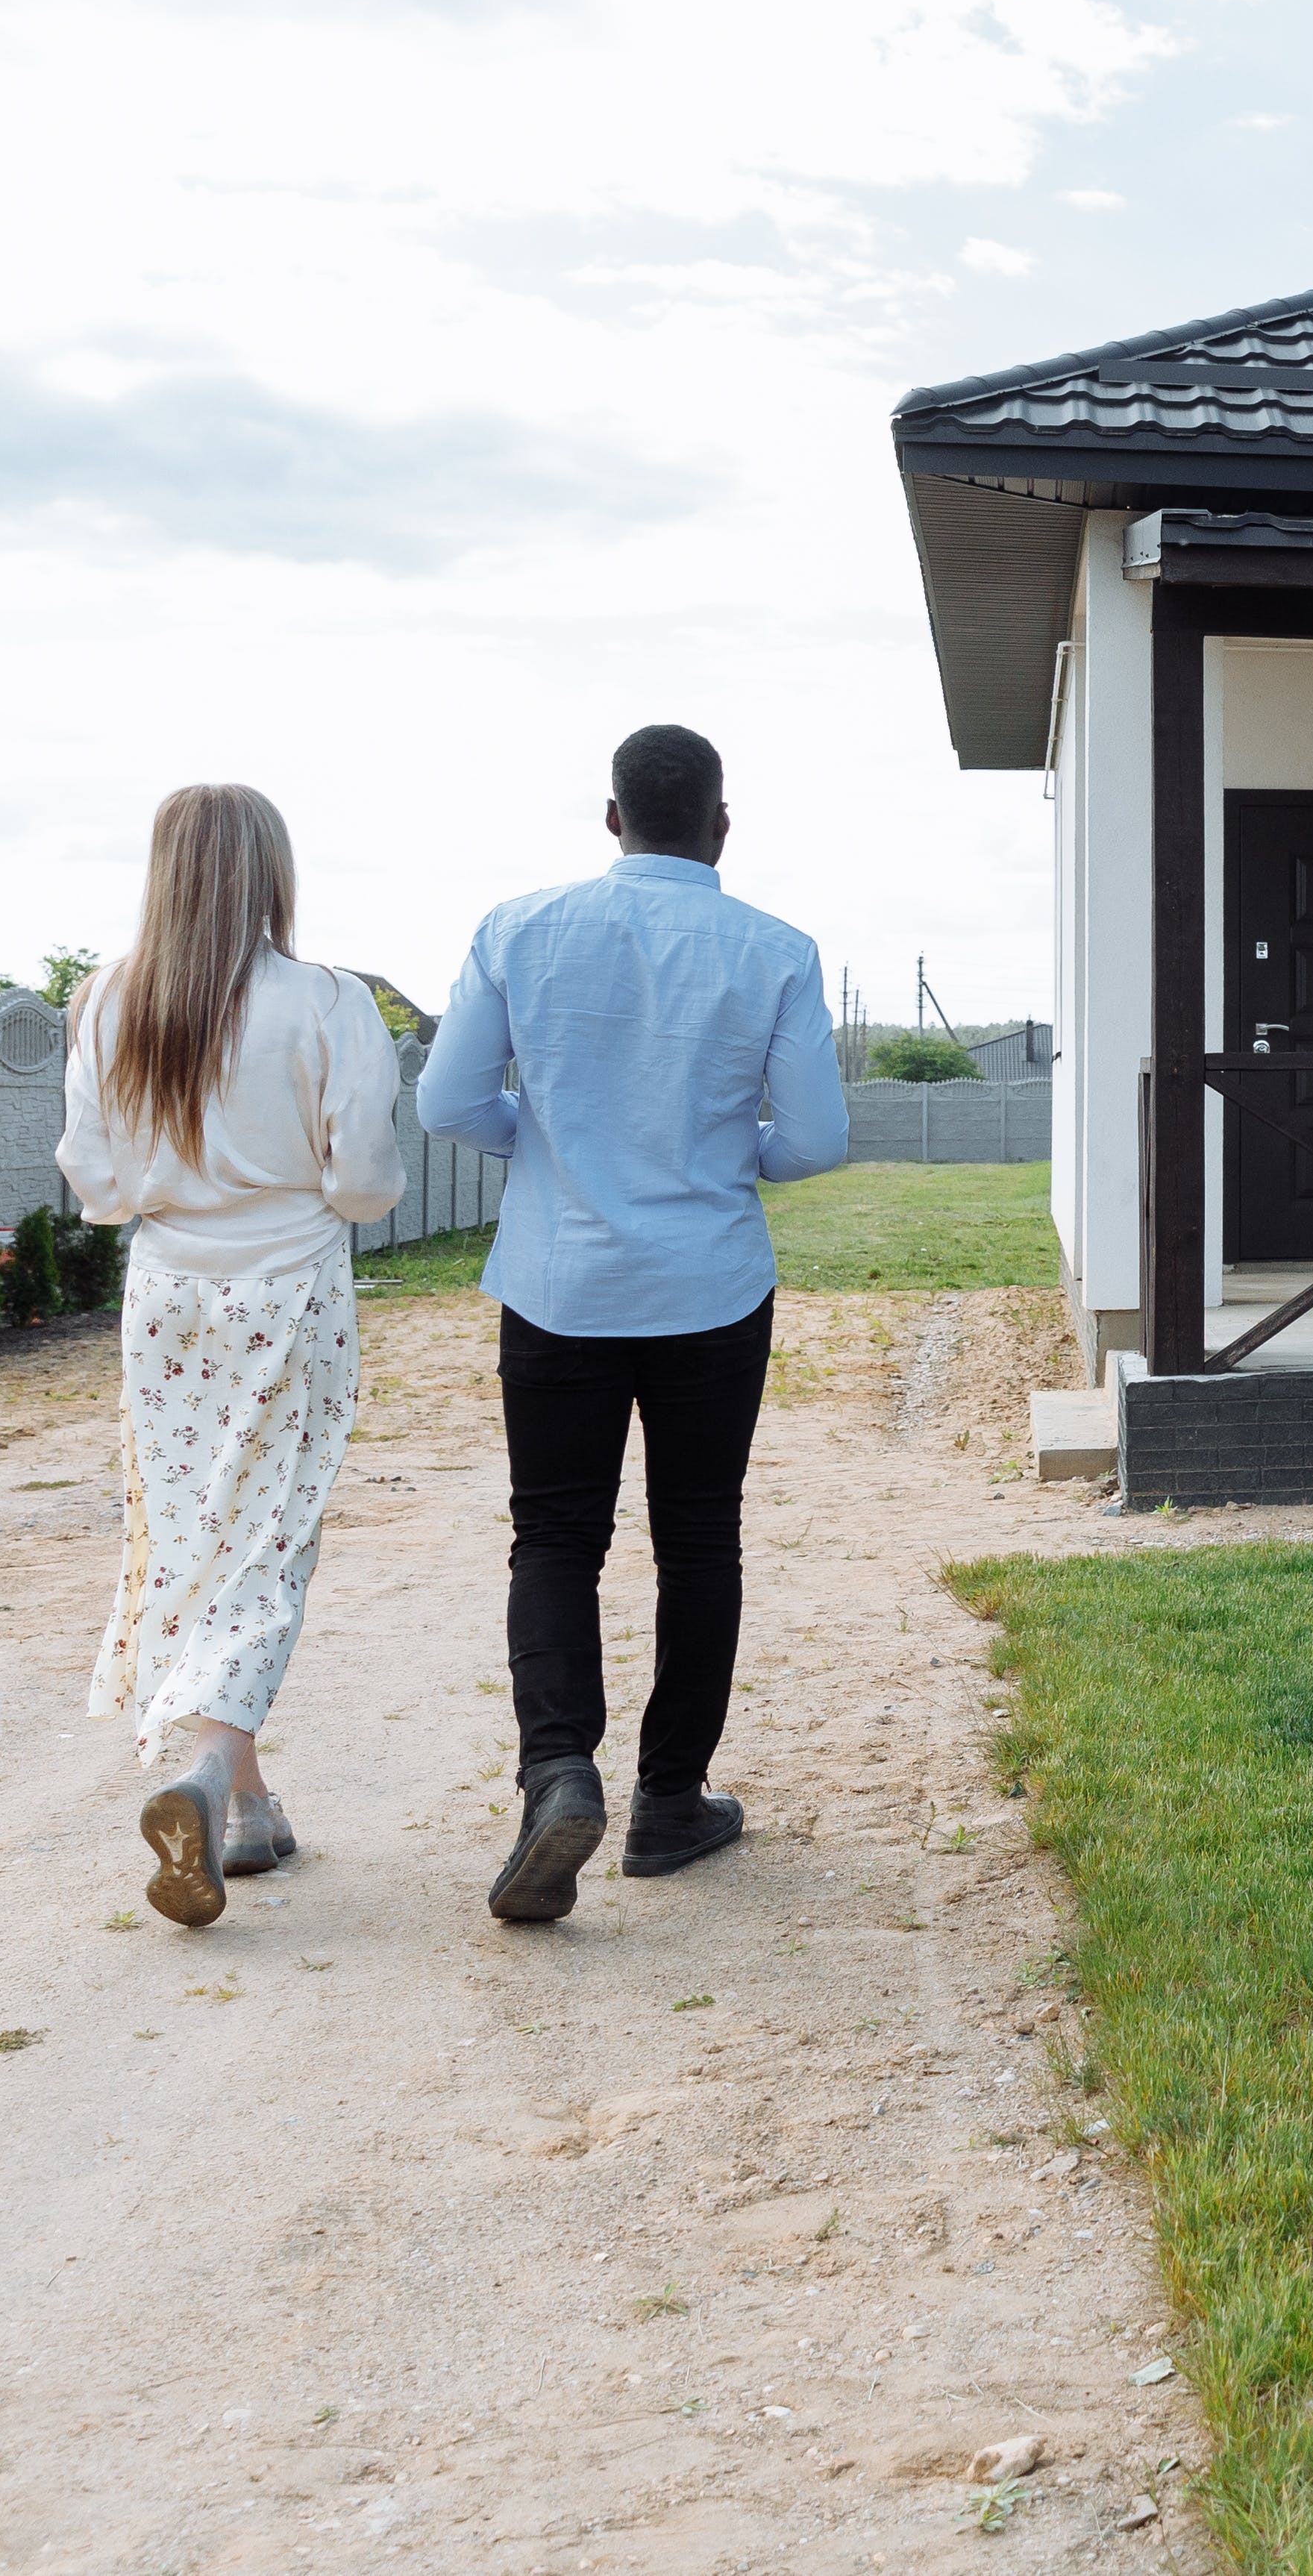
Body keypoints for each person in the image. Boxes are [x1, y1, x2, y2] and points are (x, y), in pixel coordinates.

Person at [420, 722, 847, 1927]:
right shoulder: (776, 950)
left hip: (559, 1282)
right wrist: (726, 1156)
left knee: (554, 1537)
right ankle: (669, 1803)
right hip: (710, 1284)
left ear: (610, 818)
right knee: (700, 1538)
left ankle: (558, 1772)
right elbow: (815, 1139)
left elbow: (451, 1099)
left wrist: (548, 1149)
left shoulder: (517, 929)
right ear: (721, 824)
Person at [57, 783, 405, 1931]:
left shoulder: (109, 999)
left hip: (165, 1298)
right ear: (271, 871)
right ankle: (208, 1771)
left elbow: (99, 1189)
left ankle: (246, 1812)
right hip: (289, 1291)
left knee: (191, 1527)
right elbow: (363, 1183)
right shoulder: (325, 1002)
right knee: (267, 1534)